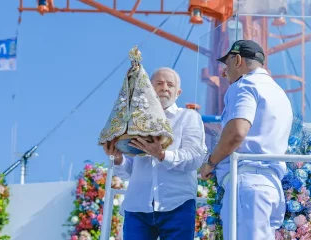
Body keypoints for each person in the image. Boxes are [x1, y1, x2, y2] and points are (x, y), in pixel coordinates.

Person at [199, 40, 293, 239]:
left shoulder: (245, 84)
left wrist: (210, 163)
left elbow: (237, 132)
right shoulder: (280, 94)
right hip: (271, 186)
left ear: (238, 59)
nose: (224, 72)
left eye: (227, 64)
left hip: (248, 183)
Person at [103, 67, 207, 240]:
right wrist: (119, 159)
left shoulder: (189, 117)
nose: (164, 87)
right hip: (137, 207)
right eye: (159, 83)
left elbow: (195, 156)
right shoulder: (134, 121)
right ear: (150, 89)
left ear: (178, 92)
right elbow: (128, 170)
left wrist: (162, 155)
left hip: (177, 204)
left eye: (170, 84)